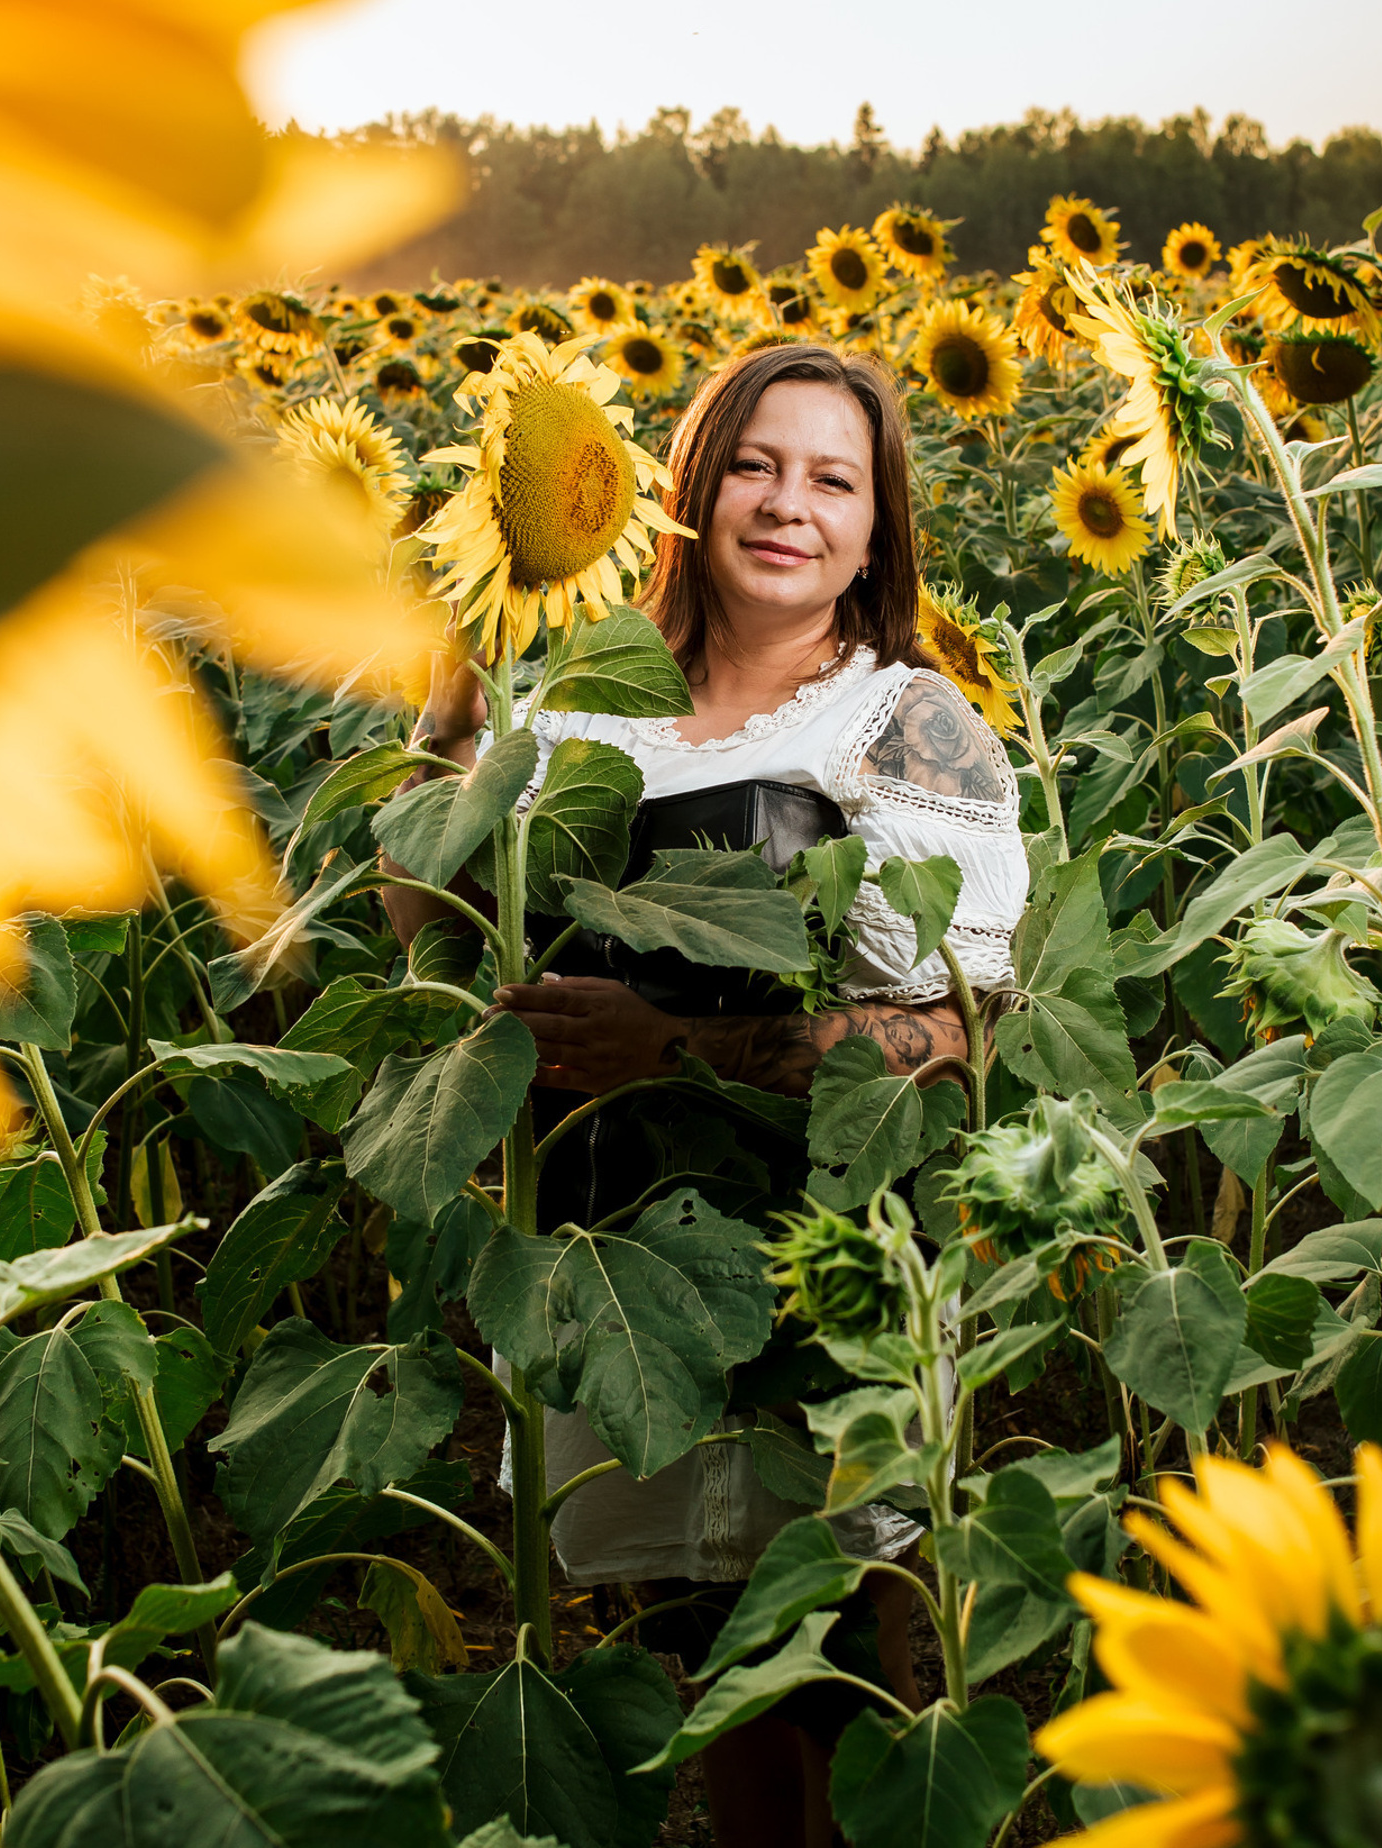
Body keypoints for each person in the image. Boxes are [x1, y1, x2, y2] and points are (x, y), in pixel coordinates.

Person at [384, 340, 1028, 1847]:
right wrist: (450, 710)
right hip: (604, 1257)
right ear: (688, 485)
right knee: (708, 1662)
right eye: (754, 464)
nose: (786, 505)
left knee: (838, 1660)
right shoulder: (578, 693)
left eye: (832, 479)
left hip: (817, 1252)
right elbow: (427, 929)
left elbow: (965, 1026)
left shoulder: (900, 721)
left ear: (877, 529)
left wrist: (670, 1049)